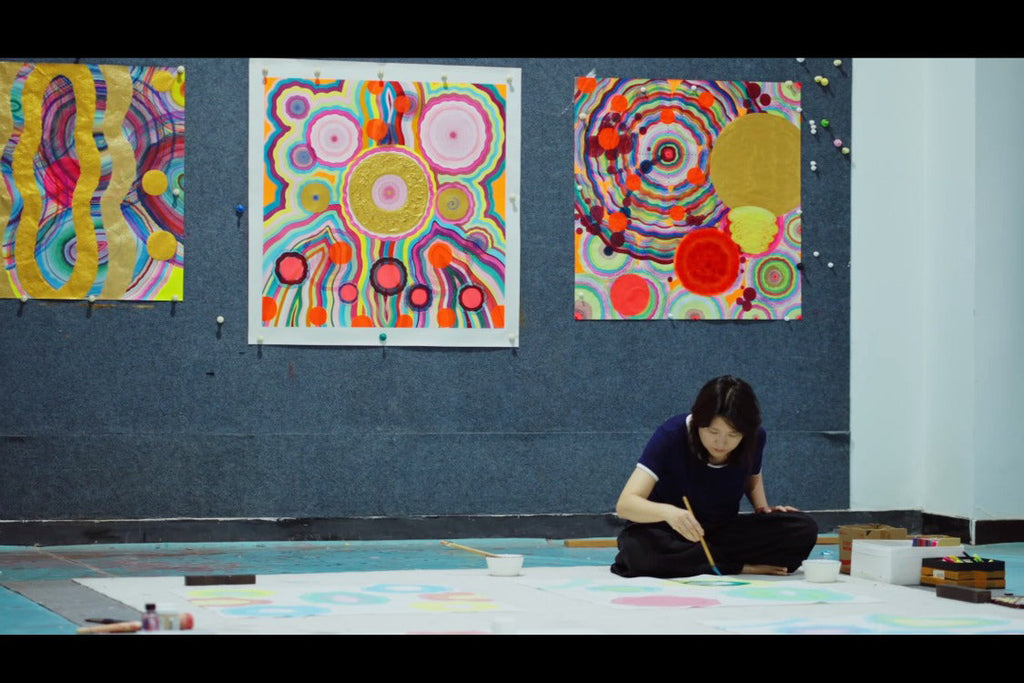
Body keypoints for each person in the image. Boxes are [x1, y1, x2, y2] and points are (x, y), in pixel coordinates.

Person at [611, 375, 818, 578]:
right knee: (637, 551)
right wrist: (670, 513)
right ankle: (736, 566)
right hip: (668, 531)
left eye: (733, 434)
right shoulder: (672, 434)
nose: (721, 443)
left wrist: (764, 512)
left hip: (720, 530)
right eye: (713, 431)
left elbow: (752, 477)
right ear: (698, 421)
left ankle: (703, 561)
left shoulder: (755, 437)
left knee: (803, 529)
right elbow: (625, 504)